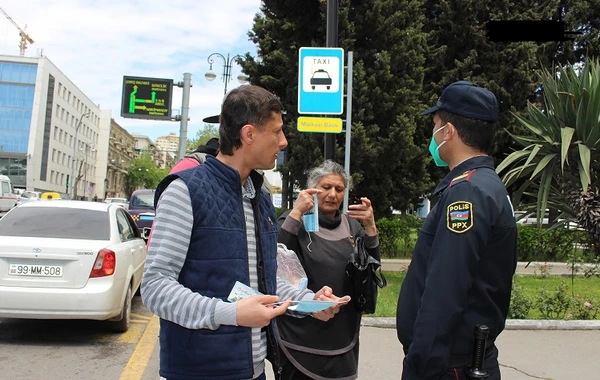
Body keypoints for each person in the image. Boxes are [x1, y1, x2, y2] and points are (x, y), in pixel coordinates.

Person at [141, 85, 348, 380]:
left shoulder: (259, 197)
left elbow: (265, 283)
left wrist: (309, 302)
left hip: (253, 370)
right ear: (249, 134)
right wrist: (230, 314)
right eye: (276, 132)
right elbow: (155, 287)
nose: (284, 141)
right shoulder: (184, 191)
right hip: (197, 371)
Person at [396, 81, 517, 380]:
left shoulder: (466, 193)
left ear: (448, 132)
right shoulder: (485, 185)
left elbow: (446, 288)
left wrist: (420, 364)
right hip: (461, 360)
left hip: (449, 365)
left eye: (435, 125)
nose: (433, 135)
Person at [275, 160, 380, 379]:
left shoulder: (352, 227)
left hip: (344, 332)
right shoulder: (295, 220)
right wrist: (296, 212)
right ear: (312, 189)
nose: (332, 194)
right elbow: (276, 256)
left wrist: (370, 227)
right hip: (301, 333)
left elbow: (371, 268)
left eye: (339, 189)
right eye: (326, 187)